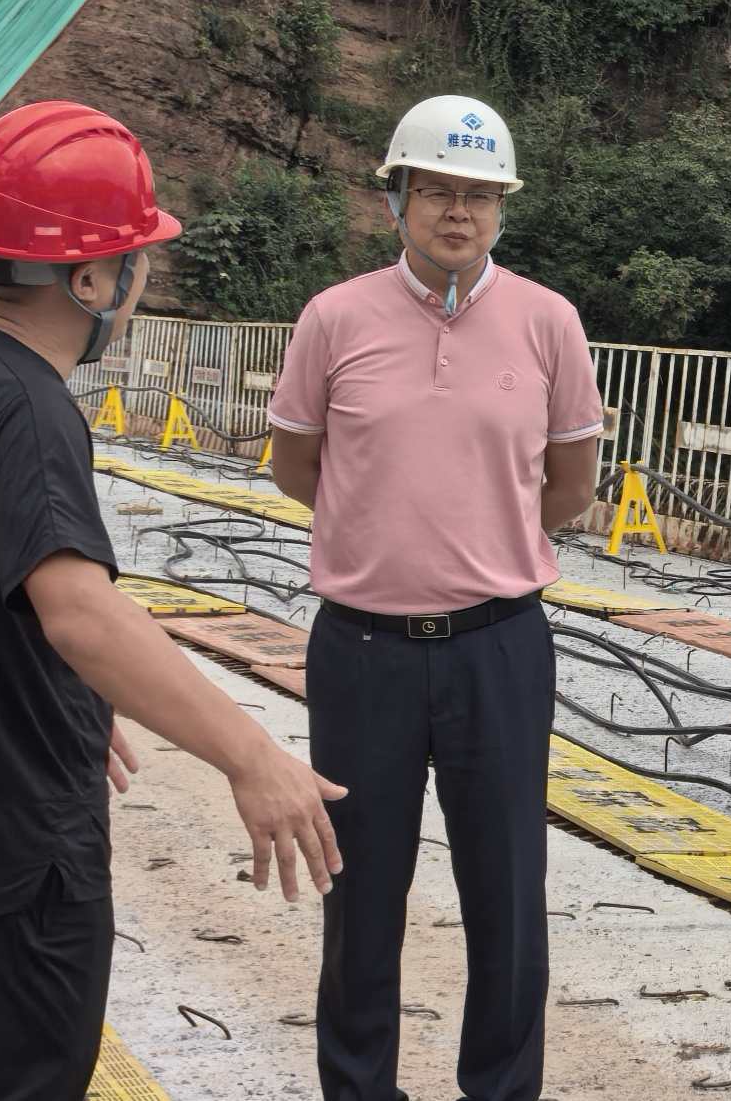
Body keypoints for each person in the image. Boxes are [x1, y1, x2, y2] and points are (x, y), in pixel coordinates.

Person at [0, 100, 343, 1101]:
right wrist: (253, 756)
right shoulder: (26, 408)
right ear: (89, 278)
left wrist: (53, 692)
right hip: (5, 877)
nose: (139, 283)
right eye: (134, 261)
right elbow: (78, 610)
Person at [265, 95, 604, 1101]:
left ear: (502, 207)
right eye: (438, 191)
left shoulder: (548, 322)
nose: (459, 212)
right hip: (360, 649)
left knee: (506, 889)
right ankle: (359, 1088)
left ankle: (498, 1089)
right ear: (396, 198)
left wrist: (480, 540)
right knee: (360, 886)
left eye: (480, 195)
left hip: (498, 646)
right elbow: (296, 466)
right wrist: (383, 531)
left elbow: (570, 486)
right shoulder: (335, 318)